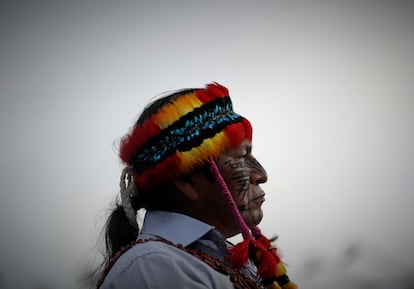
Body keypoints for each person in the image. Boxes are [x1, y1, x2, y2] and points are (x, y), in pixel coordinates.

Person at [96, 82, 297, 289]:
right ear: (186, 180)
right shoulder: (157, 267)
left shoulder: (217, 259)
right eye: (241, 157)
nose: (261, 175)